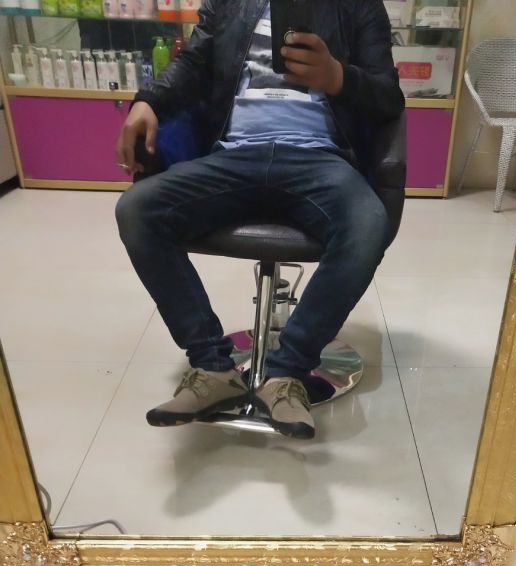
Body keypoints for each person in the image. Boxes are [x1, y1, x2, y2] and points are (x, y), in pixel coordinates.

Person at [115, 0, 404, 438]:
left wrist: (336, 77)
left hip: (317, 159)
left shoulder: (357, 5)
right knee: (138, 210)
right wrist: (148, 101)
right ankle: (212, 367)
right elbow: (193, 63)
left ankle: (287, 374)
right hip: (235, 156)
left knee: (367, 223)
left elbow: (387, 97)